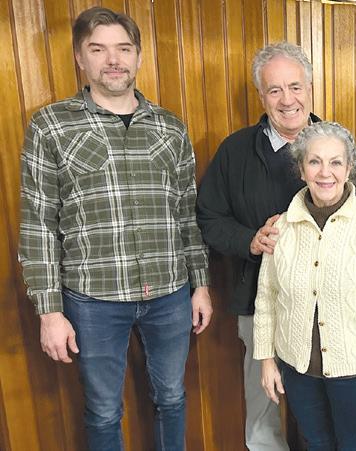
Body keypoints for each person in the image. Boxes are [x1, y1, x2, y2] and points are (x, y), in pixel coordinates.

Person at [18, 7, 212, 451]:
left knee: (172, 398)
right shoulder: (51, 126)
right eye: (98, 49)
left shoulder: (170, 127)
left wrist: (200, 285)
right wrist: (49, 312)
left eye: (123, 49)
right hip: (93, 300)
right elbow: (38, 225)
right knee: (104, 410)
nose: (113, 60)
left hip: (169, 293)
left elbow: (187, 214)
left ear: (138, 55)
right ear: (79, 58)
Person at [196, 42, 356, 450]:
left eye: (295, 87)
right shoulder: (235, 151)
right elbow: (208, 218)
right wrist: (249, 240)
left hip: (333, 309)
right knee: (263, 402)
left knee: (326, 411)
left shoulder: (339, 147)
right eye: (275, 90)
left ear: (310, 88)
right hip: (260, 304)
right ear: (262, 96)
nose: (287, 99)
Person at [252, 121, 356, 450]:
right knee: (317, 443)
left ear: (349, 168)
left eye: (335, 162)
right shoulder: (282, 226)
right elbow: (267, 298)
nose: (325, 172)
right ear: (301, 169)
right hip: (298, 370)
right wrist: (267, 359)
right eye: (314, 161)